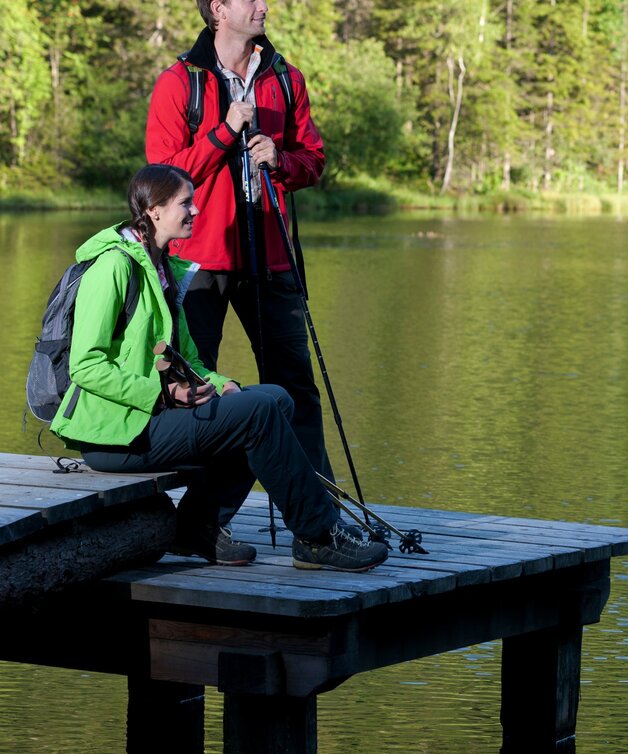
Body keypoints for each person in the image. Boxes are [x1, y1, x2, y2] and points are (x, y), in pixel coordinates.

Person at [49, 164, 387, 573]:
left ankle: (199, 527)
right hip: (114, 434)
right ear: (154, 210)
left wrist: (223, 384)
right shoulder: (113, 267)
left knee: (272, 398)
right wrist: (162, 394)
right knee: (256, 414)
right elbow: (86, 365)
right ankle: (318, 537)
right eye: (185, 203)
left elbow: (187, 360)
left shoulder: (163, 267)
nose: (195, 211)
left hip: (146, 419)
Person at [145, 0, 333, 481]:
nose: (264, 6)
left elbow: (313, 159)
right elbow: (162, 179)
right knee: (193, 387)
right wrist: (225, 132)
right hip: (199, 262)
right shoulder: (179, 82)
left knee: (296, 389)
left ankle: (320, 520)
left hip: (271, 259)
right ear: (219, 9)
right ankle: (200, 522)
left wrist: (282, 160)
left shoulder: (285, 78)